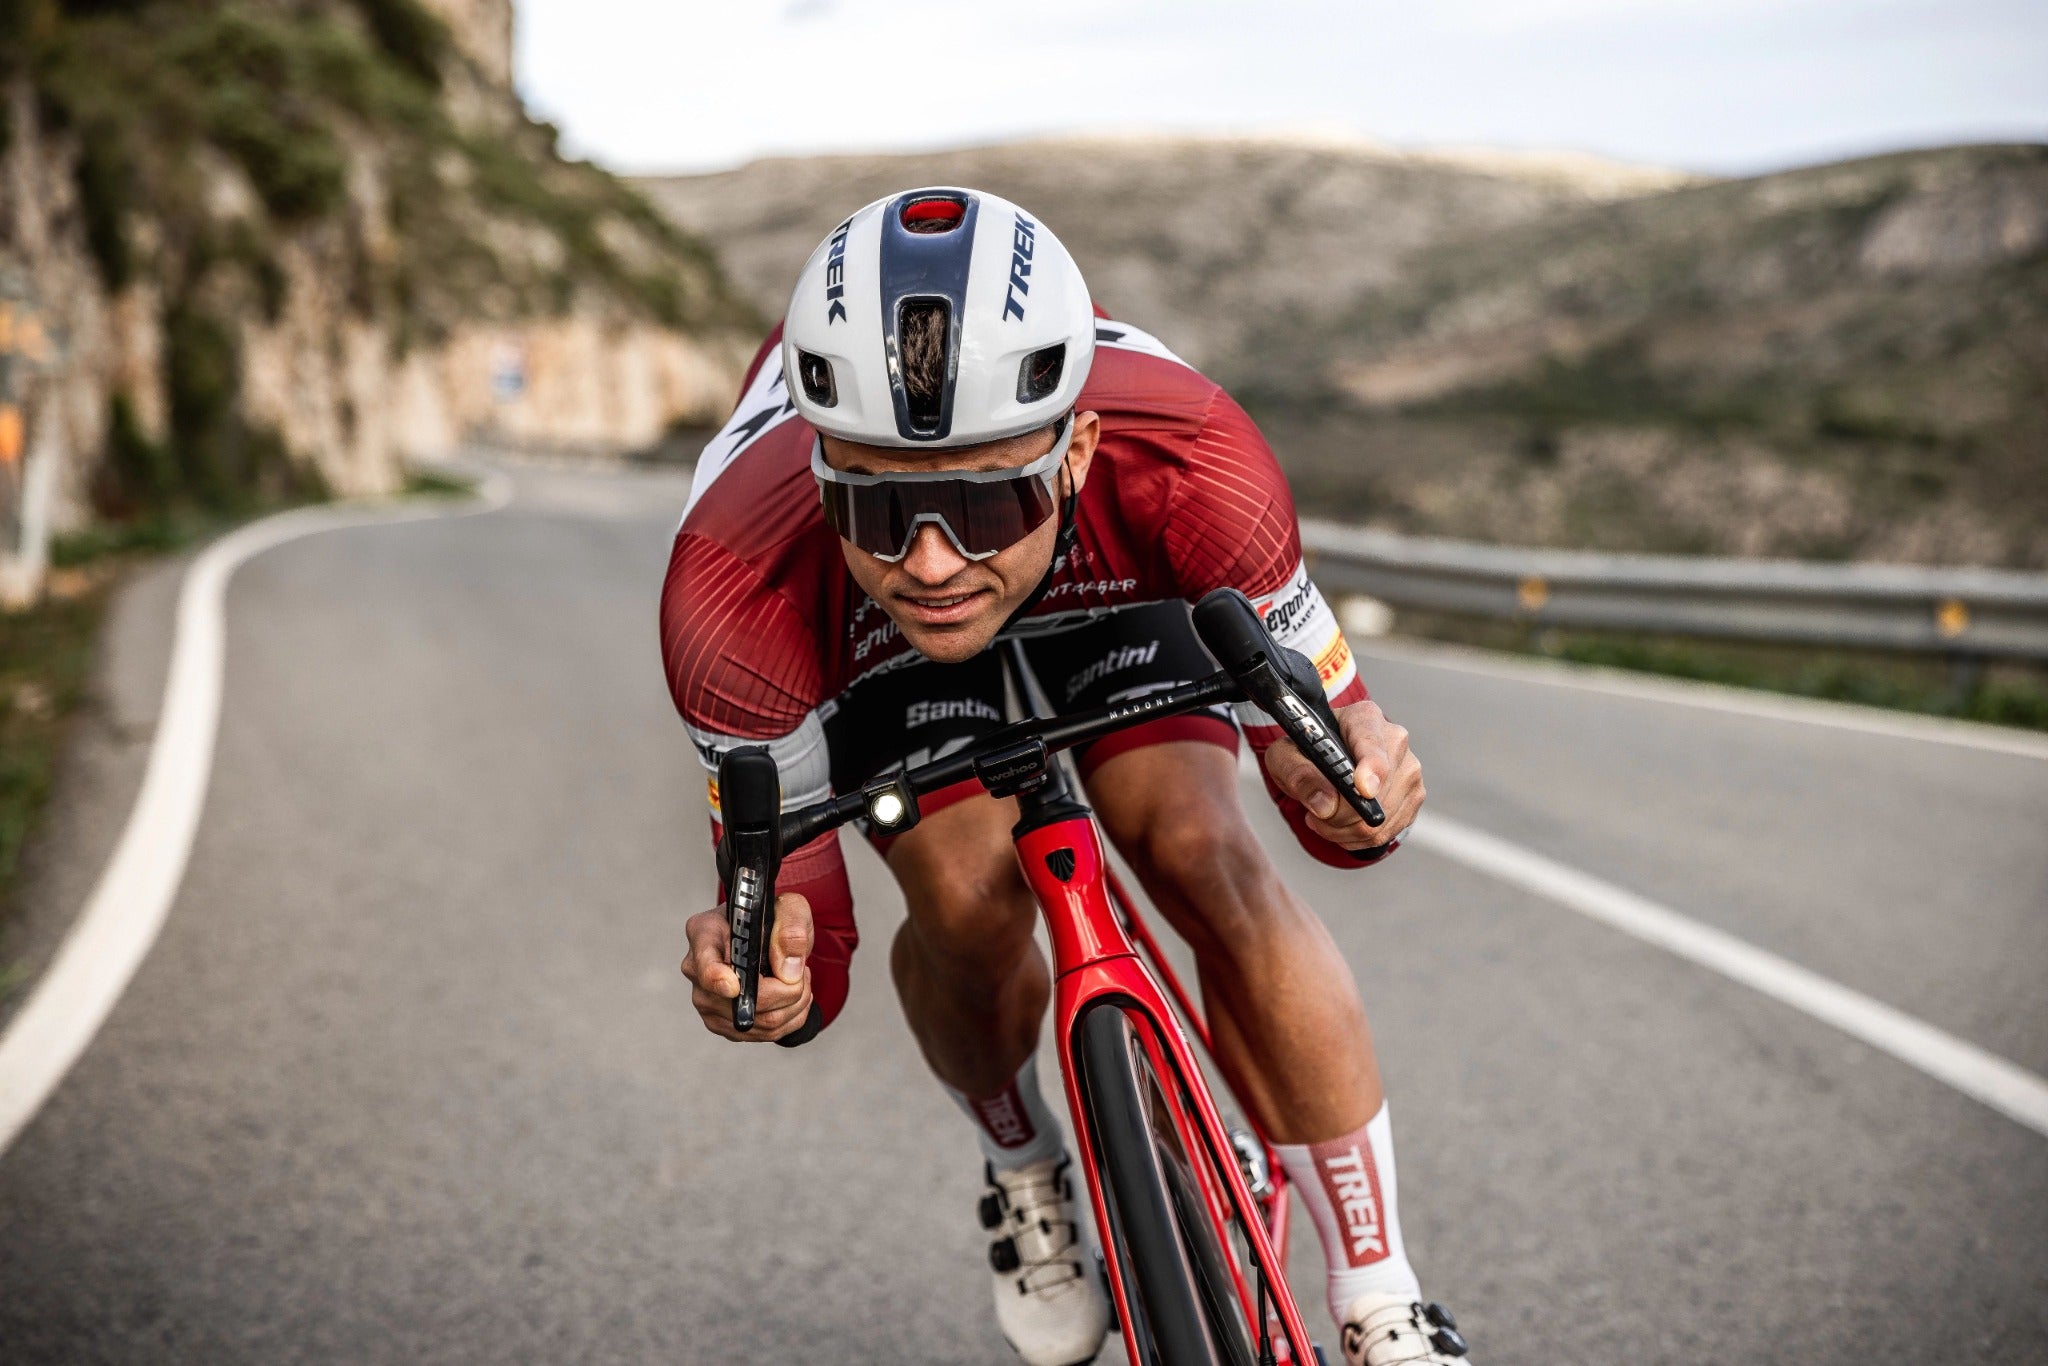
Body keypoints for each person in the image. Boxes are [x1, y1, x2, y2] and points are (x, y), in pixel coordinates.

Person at [664, 187, 1471, 1366]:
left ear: (1076, 447)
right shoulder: (732, 583)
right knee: (965, 897)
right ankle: (1021, 1159)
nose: (931, 562)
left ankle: (1380, 1292)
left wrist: (1351, 791)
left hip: (1112, 578)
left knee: (1205, 851)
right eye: (875, 505)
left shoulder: (1192, 458)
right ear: (821, 462)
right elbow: (807, 956)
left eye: (983, 498)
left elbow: (1339, 798)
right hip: (870, 648)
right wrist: (767, 978)